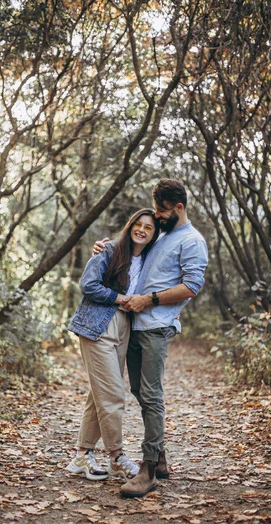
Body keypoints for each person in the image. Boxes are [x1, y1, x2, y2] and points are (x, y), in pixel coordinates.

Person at [93, 179, 208, 497]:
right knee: (137, 389)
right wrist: (105, 249)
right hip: (135, 324)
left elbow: (191, 286)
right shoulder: (162, 234)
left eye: (161, 210)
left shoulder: (192, 241)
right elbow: (134, 251)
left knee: (152, 394)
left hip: (157, 325)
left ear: (179, 208)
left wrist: (150, 300)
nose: (157, 215)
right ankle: (160, 456)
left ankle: (148, 470)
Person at [65, 209, 160, 482]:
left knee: (98, 396)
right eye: (138, 225)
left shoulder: (149, 260)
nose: (142, 230)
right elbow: (88, 285)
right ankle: (116, 457)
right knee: (113, 395)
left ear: (154, 235)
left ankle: (83, 454)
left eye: (149, 228)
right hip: (98, 326)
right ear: (130, 226)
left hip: (124, 328)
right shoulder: (110, 250)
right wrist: (119, 298)